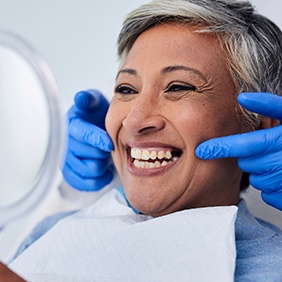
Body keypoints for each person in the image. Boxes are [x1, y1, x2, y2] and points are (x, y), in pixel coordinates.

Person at [9, 0, 282, 280]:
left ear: (257, 124)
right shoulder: (51, 232)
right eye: (126, 89)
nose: (134, 122)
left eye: (178, 87)